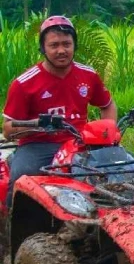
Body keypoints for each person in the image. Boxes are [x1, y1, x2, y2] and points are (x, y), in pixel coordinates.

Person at [3, 15, 117, 206]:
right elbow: (7, 129)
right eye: (54, 45)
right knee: (21, 177)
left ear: (74, 45)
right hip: (38, 146)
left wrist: (109, 134)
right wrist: (38, 125)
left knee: (121, 173)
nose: (61, 50)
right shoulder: (24, 83)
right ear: (43, 48)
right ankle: (10, 225)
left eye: (67, 44)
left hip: (80, 144)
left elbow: (107, 105)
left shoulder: (88, 75)